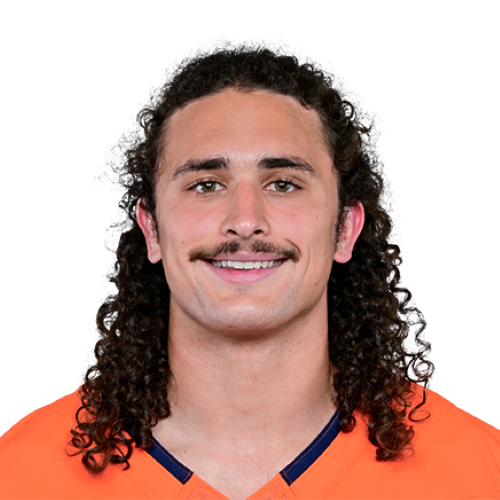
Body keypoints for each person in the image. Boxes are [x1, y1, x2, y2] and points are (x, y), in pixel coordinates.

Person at [1, 37, 499, 500]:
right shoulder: (18, 470)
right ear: (151, 229)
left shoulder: (481, 469)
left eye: (283, 184)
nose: (244, 221)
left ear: (345, 230)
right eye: (206, 184)